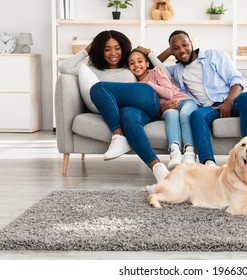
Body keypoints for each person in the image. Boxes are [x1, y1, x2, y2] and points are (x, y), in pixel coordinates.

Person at [58, 30, 169, 181]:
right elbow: (63, 67)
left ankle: (118, 135)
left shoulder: (129, 64)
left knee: (99, 88)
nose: (113, 53)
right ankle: (158, 168)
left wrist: (149, 53)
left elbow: (165, 75)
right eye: (107, 49)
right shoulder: (91, 69)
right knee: (129, 120)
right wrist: (86, 51)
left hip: (146, 99)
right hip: (130, 111)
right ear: (99, 51)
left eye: (117, 48)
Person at [158, 30, 247, 167]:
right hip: (210, 108)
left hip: (233, 100)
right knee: (196, 115)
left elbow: (237, 80)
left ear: (191, 44)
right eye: (176, 48)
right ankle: (208, 162)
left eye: (184, 44)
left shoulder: (214, 55)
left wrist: (228, 102)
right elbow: (152, 67)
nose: (182, 50)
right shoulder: (176, 70)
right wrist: (168, 51)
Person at [127, 49, 198, 170]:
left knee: (185, 114)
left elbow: (169, 93)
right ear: (128, 67)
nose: (136, 65)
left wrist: (148, 84)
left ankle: (189, 153)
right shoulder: (134, 85)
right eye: (132, 63)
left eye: (140, 61)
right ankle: (174, 152)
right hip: (167, 108)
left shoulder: (156, 71)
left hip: (184, 101)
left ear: (147, 64)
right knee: (171, 115)